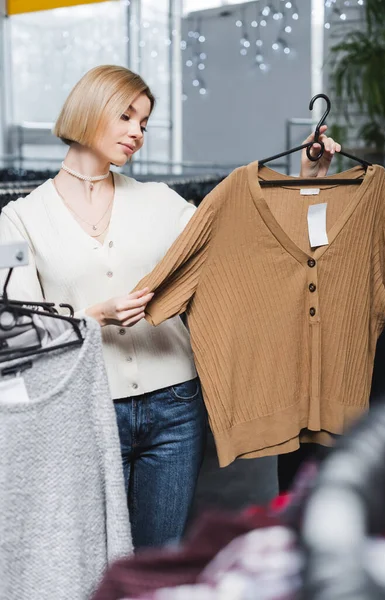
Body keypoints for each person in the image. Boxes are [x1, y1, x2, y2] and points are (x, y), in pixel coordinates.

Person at [0, 65, 341, 549]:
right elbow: (21, 335)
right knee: (95, 561)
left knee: (159, 558)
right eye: (126, 116)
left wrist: (309, 184)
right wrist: (94, 319)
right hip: (88, 411)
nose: (138, 133)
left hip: (176, 407)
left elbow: (254, 251)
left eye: (144, 122)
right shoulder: (20, 218)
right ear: (89, 110)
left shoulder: (163, 202)